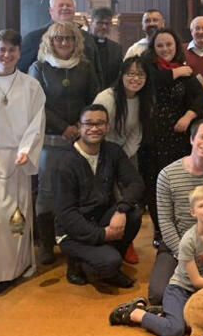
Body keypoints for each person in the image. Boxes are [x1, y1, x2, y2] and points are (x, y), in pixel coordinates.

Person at [109, 186, 203, 336]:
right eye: (201, 206)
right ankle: (136, 313)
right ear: (193, 212)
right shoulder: (188, 241)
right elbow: (196, 281)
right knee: (174, 330)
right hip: (181, 289)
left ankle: (160, 313)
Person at [29, 20, 100, 264]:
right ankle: (47, 245)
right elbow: (38, 104)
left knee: (79, 192)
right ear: (50, 41)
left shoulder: (85, 67)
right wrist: (64, 127)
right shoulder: (39, 68)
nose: (64, 43)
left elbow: (94, 99)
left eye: (69, 38)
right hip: (51, 140)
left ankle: (75, 241)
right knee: (47, 193)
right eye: (58, 38)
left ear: (76, 41)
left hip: (82, 139)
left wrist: (81, 126)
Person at [54, 104, 144, 288]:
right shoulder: (65, 161)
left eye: (100, 123)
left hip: (101, 217)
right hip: (72, 231)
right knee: (109, 261)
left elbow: (136, 183)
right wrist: (102, 235)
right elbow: (66, 213)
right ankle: (77, 262)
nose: (94, 128)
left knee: (133, 214)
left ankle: (107, 262)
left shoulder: (113, 151)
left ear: (107, 126)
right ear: (79, 127)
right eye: (88, 123)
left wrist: (121, 209)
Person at [150, 119, 203, 306]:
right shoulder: (167, 175)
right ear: (192, 139)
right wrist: (185, 254)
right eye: (202, 137)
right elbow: (165, 222)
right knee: (158, 295)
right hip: (176, 246)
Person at [0, 30, 45, 294]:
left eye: (11, 50)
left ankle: (14, 269)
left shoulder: (30, 85)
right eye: (1, 49)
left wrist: (26, 149)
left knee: (16, 220)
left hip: (18, 160)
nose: (6, 55)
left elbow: (37, 122)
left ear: (18, 53)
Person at [138, 28, 203, 242]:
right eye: (160, 45)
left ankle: (183, 228)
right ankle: (160, 230)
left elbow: (200, 96)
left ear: (176, 45)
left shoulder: (184, 69)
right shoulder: (147, 68)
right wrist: (175, 73)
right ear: (153, 48)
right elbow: (152, 82)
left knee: (179, 184)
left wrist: (188, 116)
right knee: (155, 185)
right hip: (152, 138)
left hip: (178, 138)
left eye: (169, 44)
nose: (165, 49)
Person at [19, 0, 99, 73]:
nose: (65, 8)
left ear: (74, 10)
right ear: (51, 11)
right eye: (60, 5)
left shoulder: (86, 38)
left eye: (68, 5)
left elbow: (95, 69)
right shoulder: (34, 38)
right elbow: (22, 71)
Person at [93, 56, 153, 162]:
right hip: (99, 151)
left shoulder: (145, 101)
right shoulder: (106, 98)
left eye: (140, 74)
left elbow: (137, 133)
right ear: (122, 75)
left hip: (125, 154)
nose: (136, 79)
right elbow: (95, 129)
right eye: (131, 73)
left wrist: (122, 157)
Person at [88, 7, 122, 90]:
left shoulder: (116, 49)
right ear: (91, 23)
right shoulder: (82, 45)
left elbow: (119, 75)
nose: (104, 27)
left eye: (107, 23)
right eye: (99, 23)